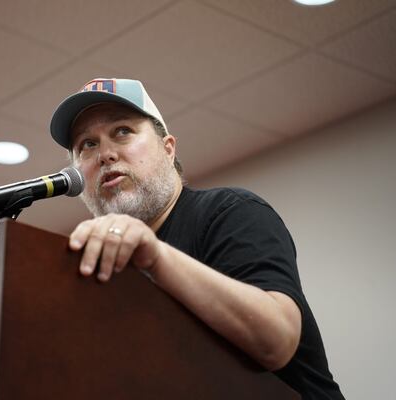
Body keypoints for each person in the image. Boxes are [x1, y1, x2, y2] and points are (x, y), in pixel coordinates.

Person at [48, 78, 345, 399]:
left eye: (122, 131)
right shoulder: (104, 266)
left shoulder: (230, 211)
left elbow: (278, 341)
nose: (105, 154)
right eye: (87, 145)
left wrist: (156, 256)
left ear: (168, 148)